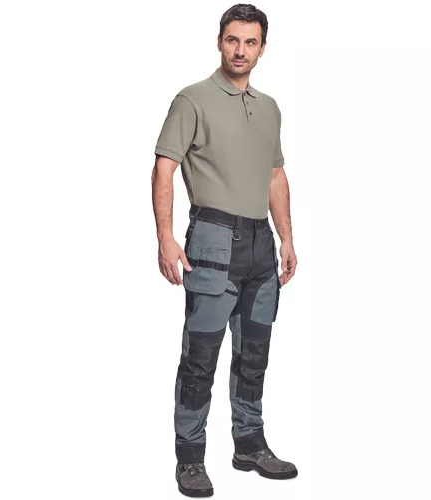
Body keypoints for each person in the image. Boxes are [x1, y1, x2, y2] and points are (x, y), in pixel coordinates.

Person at [151, 4, 298, 497]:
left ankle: (249, 445)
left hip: (261, 242)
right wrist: (165, 237)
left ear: (262, 48)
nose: (240, 50)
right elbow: (164, 168)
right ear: (219, 41)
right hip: (213, 237)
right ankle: (190, 458)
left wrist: (287, 238)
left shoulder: (270, 107)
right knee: (201, 357)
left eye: (250, 42)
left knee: (254, 353)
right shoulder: (192, 99)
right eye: (232, 40)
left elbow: (275, 176)